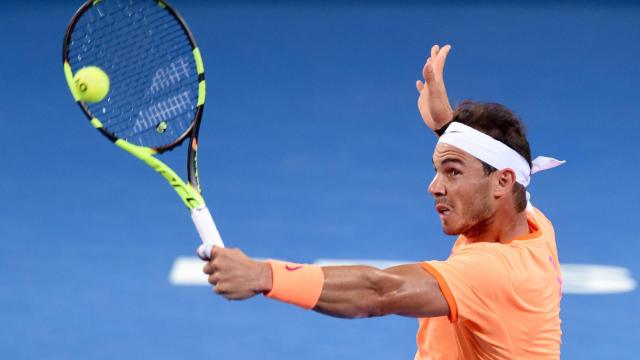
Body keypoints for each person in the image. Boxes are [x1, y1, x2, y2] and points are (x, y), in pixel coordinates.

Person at [200, 44, 564, 359]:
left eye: (452, 172)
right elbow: (496, 167)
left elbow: (379, 291)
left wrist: (263, 275)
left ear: (502, 181)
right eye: (438, 170)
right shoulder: (532, 224)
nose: (434, 187)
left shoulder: (494, 273)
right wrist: (447, 127)